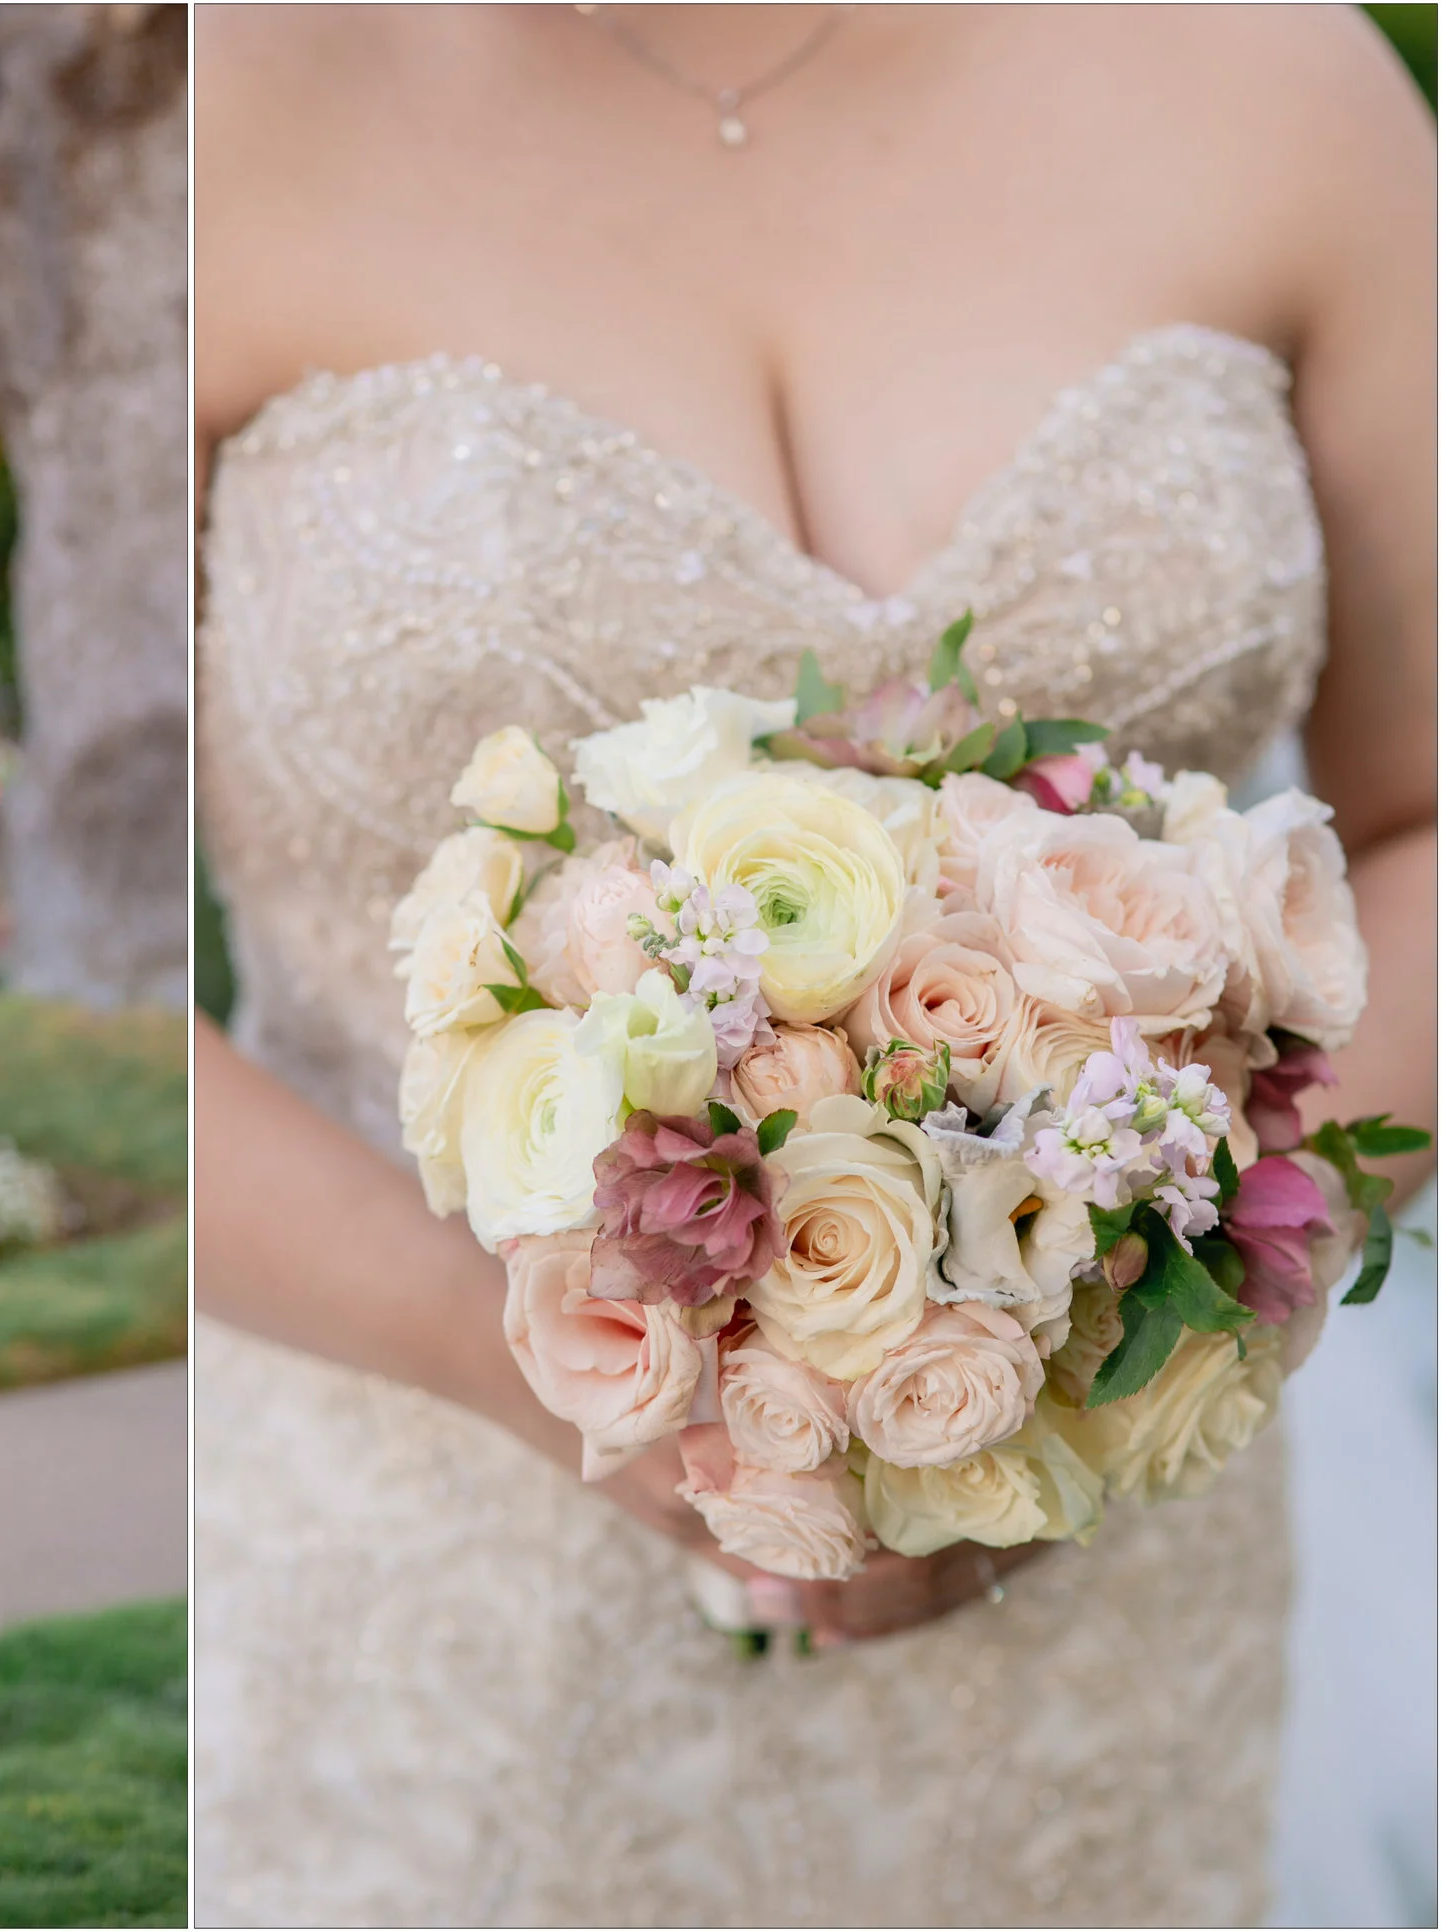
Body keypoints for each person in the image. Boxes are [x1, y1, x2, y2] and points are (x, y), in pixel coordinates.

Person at [192, 6, 1433, 1923]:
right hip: (426, 1540)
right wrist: (561, 1382)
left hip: (1102, 1575)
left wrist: (1113, 1344)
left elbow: (1426, 813)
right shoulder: (229, 100)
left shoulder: (1278, 76)